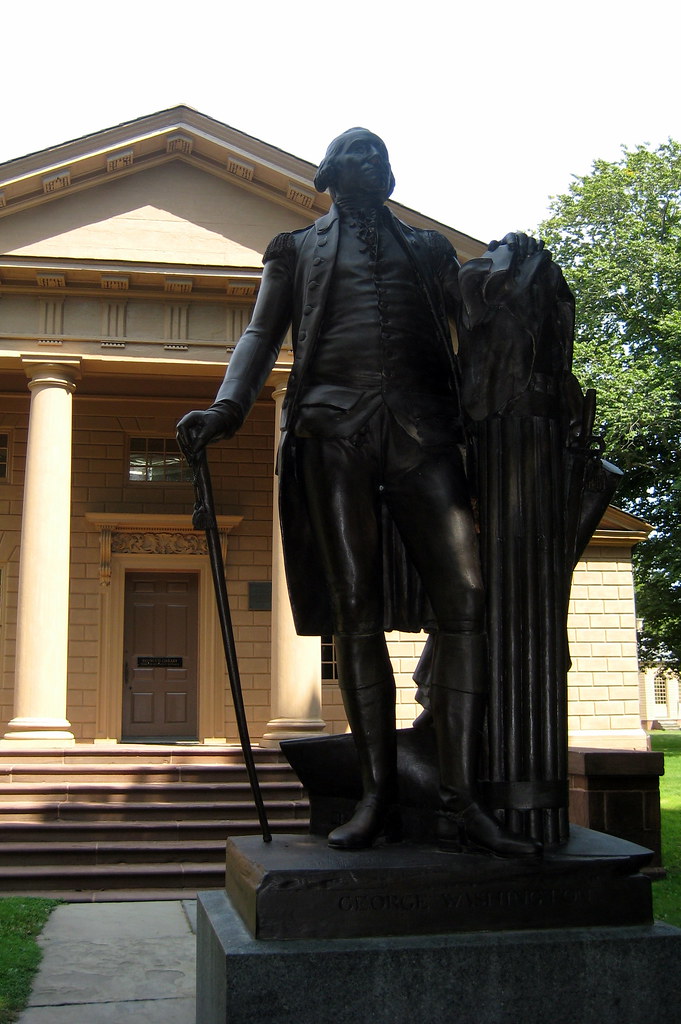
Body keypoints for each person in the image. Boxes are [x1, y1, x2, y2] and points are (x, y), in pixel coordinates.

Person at [177, 128, 540, 857]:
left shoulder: (432, 251)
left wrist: (513, 275)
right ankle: (375, 793)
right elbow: (259, 333)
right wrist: (229, 406)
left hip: (423, 432)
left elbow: (476, 327)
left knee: (464, 596)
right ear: (329, 174)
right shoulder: (293, 248)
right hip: (331, 428)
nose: (374, 162)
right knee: (354, 605)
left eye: (381, 154)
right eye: (358, 153)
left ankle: (460, 795)